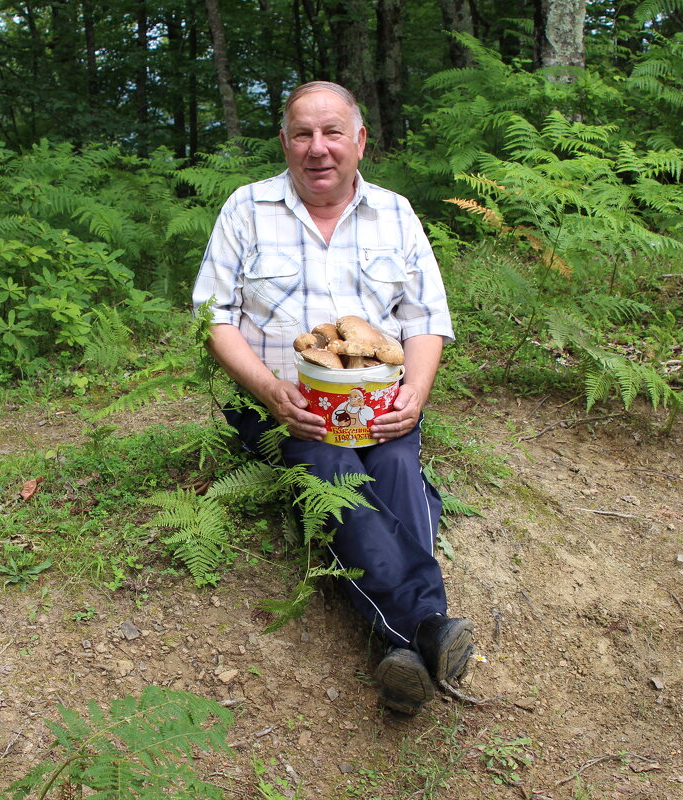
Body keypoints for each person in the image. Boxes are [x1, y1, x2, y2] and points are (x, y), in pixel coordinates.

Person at [191, 81, 474, 715]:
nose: (318, 149)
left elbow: (426, 318)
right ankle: (428, 628)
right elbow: (216, 319)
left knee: (398, 462)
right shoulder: (246, 209)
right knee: (332, 470)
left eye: (332, 133)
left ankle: (398, 646)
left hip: (380, 405)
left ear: (360, 141)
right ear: (286, 141)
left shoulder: (396, 214)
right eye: (302, 134)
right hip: (281, 409)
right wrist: (269, 391)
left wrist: (416, 396)